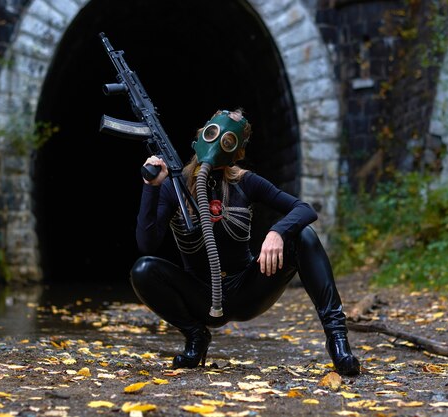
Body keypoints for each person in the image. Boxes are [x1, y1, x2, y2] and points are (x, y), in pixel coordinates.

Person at [130, 108, 361, 376]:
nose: (217, 143)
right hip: (201, 295)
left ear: (236, 152)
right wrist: (152, 187)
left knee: (304, 235)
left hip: (245, 290)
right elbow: (147, 243)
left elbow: (304, 209)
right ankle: (196, 337)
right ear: (200, 136)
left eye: (228, 141)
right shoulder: (175, 188)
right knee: (143, 269)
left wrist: (278, 231)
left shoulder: (245, 182)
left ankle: (337, 340)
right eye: (213, 133)